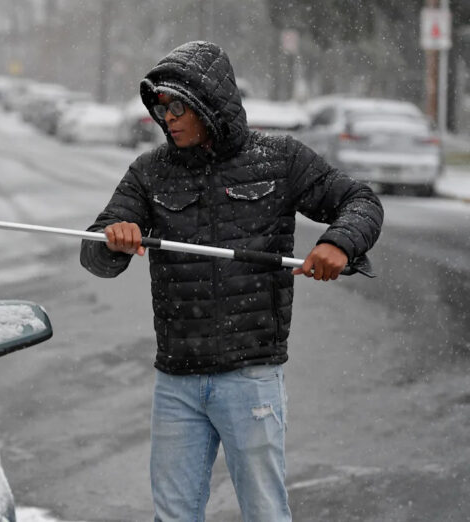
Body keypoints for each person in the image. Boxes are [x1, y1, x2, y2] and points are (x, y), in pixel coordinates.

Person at [79, 41, 384, 521]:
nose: (168, 119)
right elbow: (95, 254)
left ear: (208, 104)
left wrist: (340, 244)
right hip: (176, 381)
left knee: (265, 512)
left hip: (251, 378)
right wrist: (111, 240)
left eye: (178, 107)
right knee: (173, 515)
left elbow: (361, 201)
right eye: (161, 108)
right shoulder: (150, 172)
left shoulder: (279, 159)